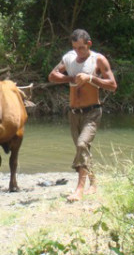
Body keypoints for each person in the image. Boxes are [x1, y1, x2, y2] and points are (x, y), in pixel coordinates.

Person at [48, 29, 117, 202]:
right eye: (75, 48)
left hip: (92, 112)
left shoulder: (98, 59)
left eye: (81, 48)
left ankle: (79, 189)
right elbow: (52, 76)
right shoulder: (69, 58)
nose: (78, 51)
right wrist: (70, 78)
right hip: (73, 113)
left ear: (89, 44)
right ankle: (93, 184)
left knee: (81, 145)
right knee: (83, 149)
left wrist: (90, 79)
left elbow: (112, 85)